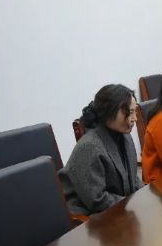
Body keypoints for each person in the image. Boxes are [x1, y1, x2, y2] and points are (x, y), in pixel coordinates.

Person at [58, 84, 144, 215]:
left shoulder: (125, 136)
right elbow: (97, 200)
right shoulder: (89, 146)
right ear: (109, 112)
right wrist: (132, 204)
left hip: (119, 207)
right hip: (89, 217)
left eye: (135, 111)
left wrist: (144, 196)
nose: (135, 118)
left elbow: (133, 178)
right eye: (129, 112)